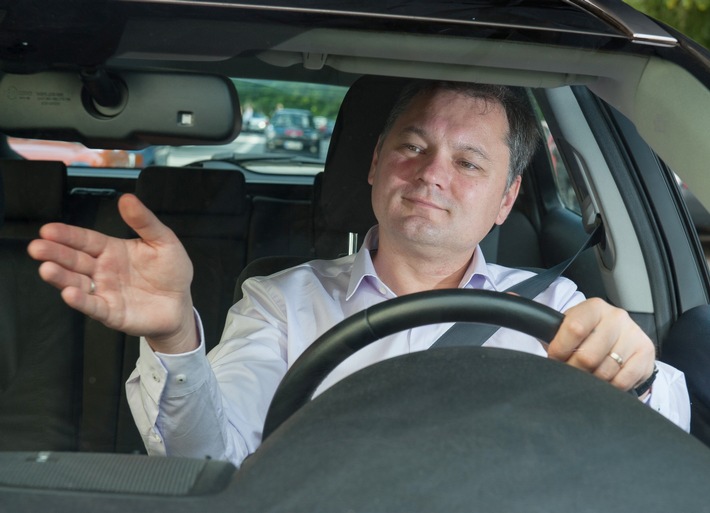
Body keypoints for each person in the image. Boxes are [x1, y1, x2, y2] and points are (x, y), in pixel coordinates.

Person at [27, 80, 690, 467]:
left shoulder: (560, 311)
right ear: (374, 163)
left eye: (467, 162)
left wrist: (637, 374)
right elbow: (206, 459)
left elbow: (654, 461)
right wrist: (175, 333)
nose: (431, 173)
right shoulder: (282, 301)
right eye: (412, 145)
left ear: (505, 200)